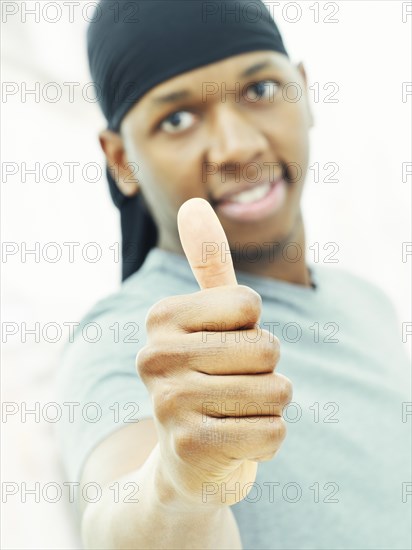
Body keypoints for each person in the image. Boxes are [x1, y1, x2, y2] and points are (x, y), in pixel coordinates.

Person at [56, 1, 411, 548]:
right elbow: (117, 518)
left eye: (261, 91)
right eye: (177, 118)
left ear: (304, 90)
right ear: (121, 159)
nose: (238, 146)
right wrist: (182, 484)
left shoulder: (367, 301)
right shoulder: (137, 339)